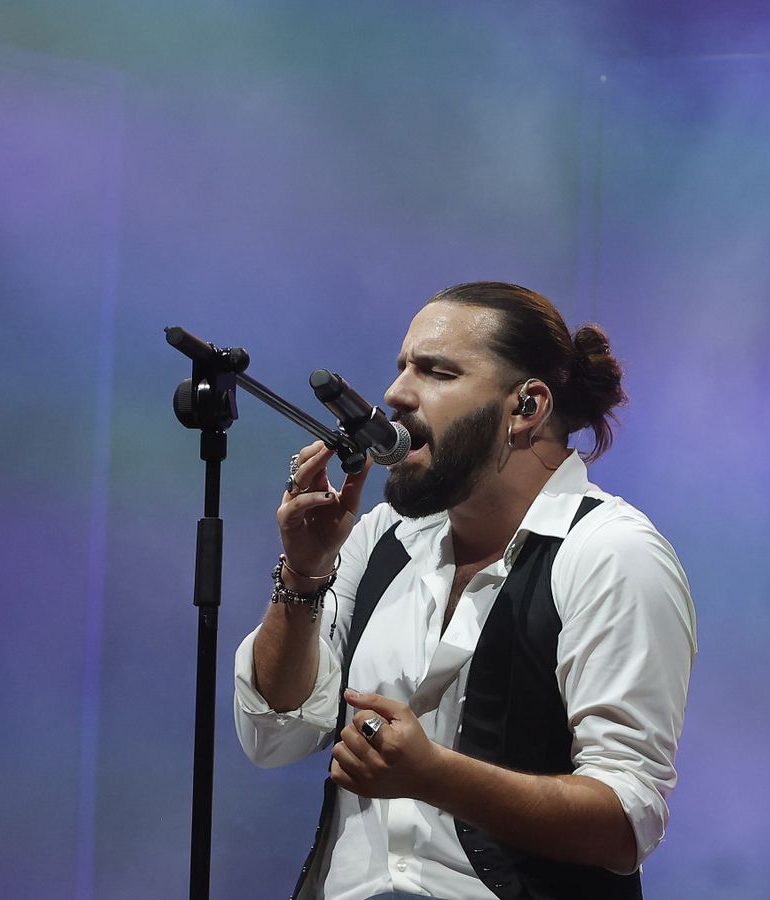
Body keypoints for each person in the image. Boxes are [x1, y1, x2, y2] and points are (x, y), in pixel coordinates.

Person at [233, 283, 695, 900]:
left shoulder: (612, 554)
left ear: (527, 407)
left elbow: (623, 823)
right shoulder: (383, 538)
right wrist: (303, 574)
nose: (395, 394)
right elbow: (275, 736)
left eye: (437, 371)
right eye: (402, 367)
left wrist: (435, 776)